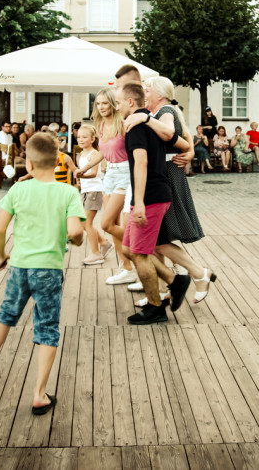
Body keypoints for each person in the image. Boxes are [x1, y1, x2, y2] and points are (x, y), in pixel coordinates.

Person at [0, 132, 84, 414]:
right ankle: (39, 395)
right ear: (58, 163)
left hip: (19, 265)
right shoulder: (68, 193)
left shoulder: (18, 190)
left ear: (28, 164)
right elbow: (76, 232)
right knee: (47, 327)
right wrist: (74, 241)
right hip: (49, 270)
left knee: (6, 313)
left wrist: (1, 256)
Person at [122, 75, 212, 303]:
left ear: (160, 94)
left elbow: (169, 134)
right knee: (156, 240)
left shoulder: (165, 112)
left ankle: (196, 275)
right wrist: (189, 150)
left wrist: (144, 118)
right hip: (167, 175)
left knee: (158, 239)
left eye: (148, 90)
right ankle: (165, 288)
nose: (145, 94)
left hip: (166, 177)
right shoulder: (165, 111)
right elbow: (186, 137)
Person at [116, 82, 190, 325]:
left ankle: (156, 308)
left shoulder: (136, 125)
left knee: (139, 253)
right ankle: (174, 280)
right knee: (128, 249)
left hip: (150, 197)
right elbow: (182, 142)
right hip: (155, 193)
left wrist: (138, 203)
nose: (117, 107)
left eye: (118, 102)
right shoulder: (151, 120)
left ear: (130, 102)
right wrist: (187, 150)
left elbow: (141, 163)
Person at [73, 87, 136, 285]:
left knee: (106, 224)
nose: (101, 107)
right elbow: (103, 151)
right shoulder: (100, 125)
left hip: (126, 174)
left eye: (105, 103)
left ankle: (139, 249)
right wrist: (85, 168)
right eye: (98, 104)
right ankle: (127, 268)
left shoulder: (124, 124)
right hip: (109, 175)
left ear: (113, 103)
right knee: (113, 226)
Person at [74, 124, 109, 265]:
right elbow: (83, 174)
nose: (81, 140)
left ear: (92, 138)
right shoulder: (81, 154)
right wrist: (80, 181)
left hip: (94, 191)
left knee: (87, 222)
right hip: (85, 191)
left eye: (84, 137)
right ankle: (104, 242)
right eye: (78, 137)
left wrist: (81, 175)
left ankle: (96, 253)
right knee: (83, 222)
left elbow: (94, 173)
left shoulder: (94, 154)